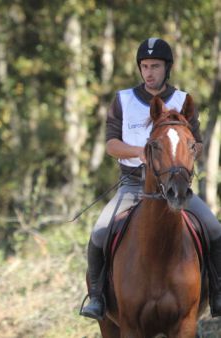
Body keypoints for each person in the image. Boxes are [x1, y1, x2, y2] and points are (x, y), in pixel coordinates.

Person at [79, 37, 221, 320]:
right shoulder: (123, 100)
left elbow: (199, 144)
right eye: (144, 66)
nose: (149, 72)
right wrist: (141, 152)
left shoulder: (183, 101)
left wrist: (182, 153)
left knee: (214, 229)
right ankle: (96, 297)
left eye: (155, 66)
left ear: (166, 68)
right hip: (134, 186)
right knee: (99, 233)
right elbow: (111, 144)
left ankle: (217, 293)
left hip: (176, 186)